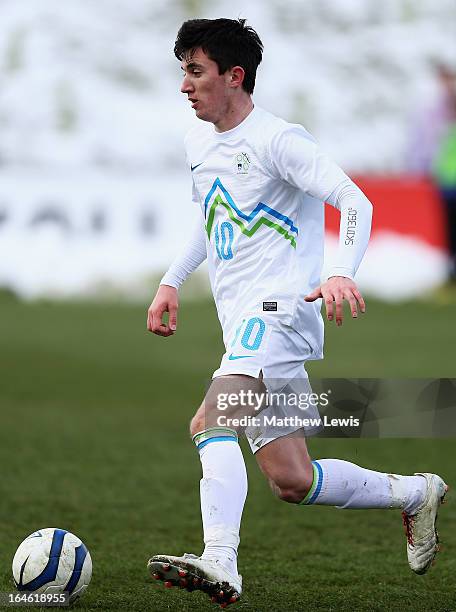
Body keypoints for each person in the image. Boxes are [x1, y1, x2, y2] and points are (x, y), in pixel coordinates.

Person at [146, 18, 448, 608]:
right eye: (183, 70)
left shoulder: (281, 141)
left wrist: (341, 273)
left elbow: (353, 200)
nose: (185, 84)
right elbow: (212, 222)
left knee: (210, 419)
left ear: (234, 77)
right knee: (292, 479)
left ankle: (220, 563)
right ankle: (415, 493)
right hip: (241, 321)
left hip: (278, 314)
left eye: (196, 71)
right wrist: (170, 282)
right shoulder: (199, 144)